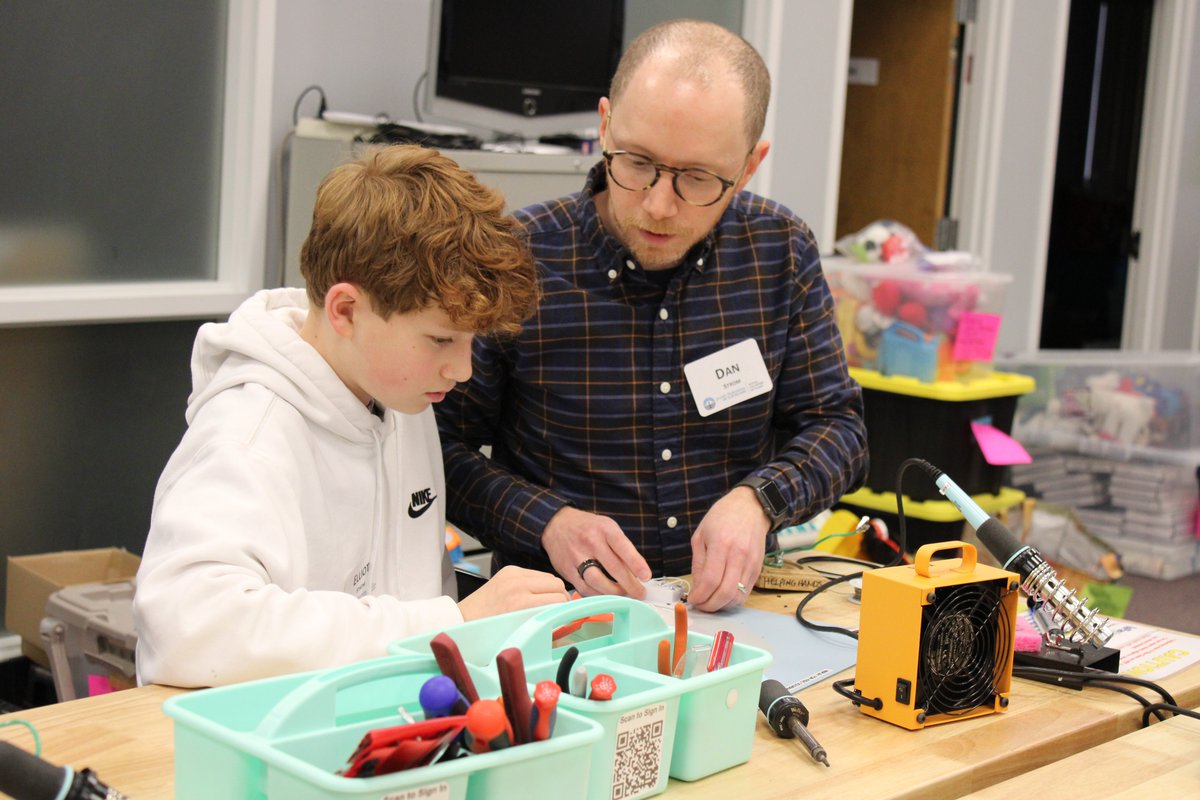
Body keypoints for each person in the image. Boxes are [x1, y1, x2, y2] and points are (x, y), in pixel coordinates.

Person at [435, 19, 868, 613]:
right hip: (559, 617)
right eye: (637, 163)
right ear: (605, 124)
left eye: (697, 178)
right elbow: (439, 449)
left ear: (749, 166)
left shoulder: (779, 249)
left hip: (731, 616)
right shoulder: (519, 257)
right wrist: (549, 522)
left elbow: (838, 426)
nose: (659, 205)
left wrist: (759, 502)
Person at [133, 145, 568, 688]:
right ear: (345, 310)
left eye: (470, 342)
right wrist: (448, 624)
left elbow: (404, 601)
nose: (462, 370)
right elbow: (187, 628)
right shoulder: (250, 434)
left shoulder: (398, 397)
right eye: (440, 340)